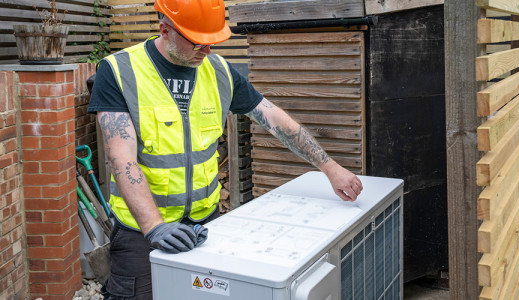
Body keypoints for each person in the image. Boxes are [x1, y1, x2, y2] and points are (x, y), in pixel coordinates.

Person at [87, 0, 363, 298]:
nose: (207, 52)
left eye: (212, 42)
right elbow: (121, 159)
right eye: (198, 43)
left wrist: (330, 167)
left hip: (207, 225)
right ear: (164, 29)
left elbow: (274, 119)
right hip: (141, 234)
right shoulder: (119, 71)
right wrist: (154, 227)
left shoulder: (218, 71)